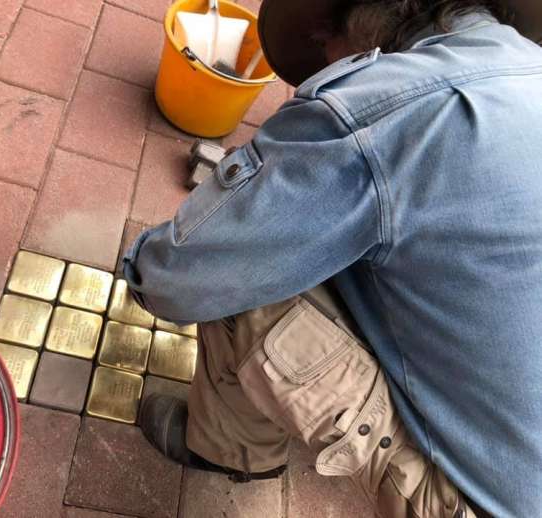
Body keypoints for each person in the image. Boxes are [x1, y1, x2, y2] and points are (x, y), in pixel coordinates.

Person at [122, 1, 542, 516]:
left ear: (367, 24)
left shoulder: (383, 106)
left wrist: (148, 264)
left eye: (322, 42)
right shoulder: (527, 66)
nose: (323, 61)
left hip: (486, 504)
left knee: (246, 269)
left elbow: (176, 280)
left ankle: (233, 450)